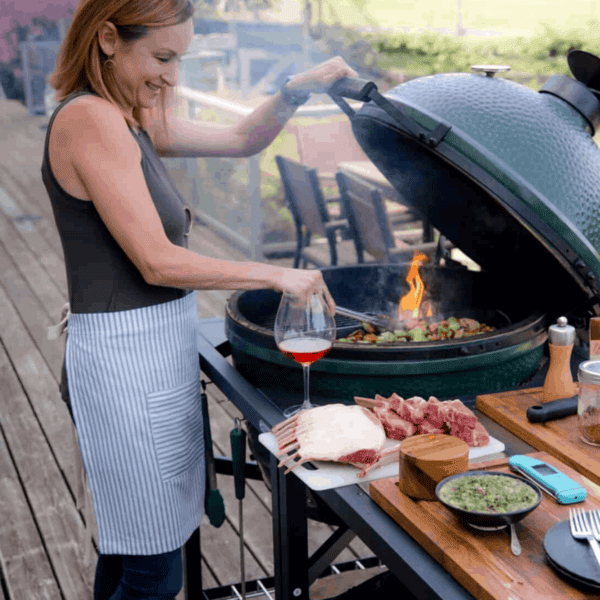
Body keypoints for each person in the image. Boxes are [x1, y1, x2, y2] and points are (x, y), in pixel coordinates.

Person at [41, 0, 358, 598]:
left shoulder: (129, 118)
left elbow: (241, 139)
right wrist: (274, 275)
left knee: (131, 549)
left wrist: (296, 89)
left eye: (180, 58)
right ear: (108, 38)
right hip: (122, 367)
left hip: (156, 355)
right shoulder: (90, 120)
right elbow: (157, 262)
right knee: (154, 571)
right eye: (162, 57)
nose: (172, 76)